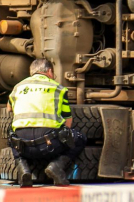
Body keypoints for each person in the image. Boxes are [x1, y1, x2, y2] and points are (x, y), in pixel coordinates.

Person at [6, 59, 86, 187]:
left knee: (11, 133)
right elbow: (68, 120)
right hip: (49, 145)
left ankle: (23, 169)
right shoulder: (58, 88)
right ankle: (56, 166)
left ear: (32, 72)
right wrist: (64, 138)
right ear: (49, 71)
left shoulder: (18, 87)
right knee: (79, 137)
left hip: (23, 146)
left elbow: (9, 109)